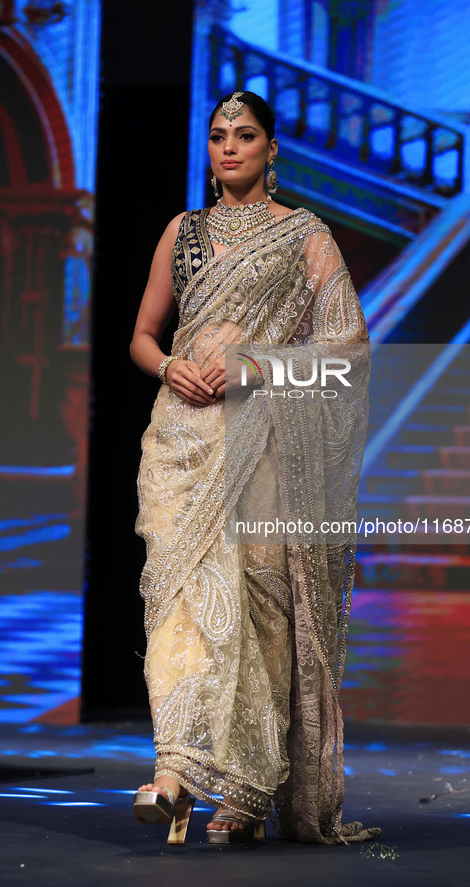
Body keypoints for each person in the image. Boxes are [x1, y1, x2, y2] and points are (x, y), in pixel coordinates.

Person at [128, 90, 380, 846]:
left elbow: (347, 354)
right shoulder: (183, 233)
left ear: (273, 150)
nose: (228, 147)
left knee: (262, 615)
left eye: (243, 135)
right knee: (178, 603)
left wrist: (258, 365)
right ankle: (173, 771)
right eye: (216, 136)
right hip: (180, 441)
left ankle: (246, 792)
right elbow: (143, 335)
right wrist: (170, 366)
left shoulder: (306, 239)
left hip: (265, 445)